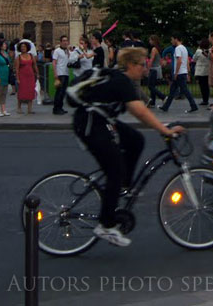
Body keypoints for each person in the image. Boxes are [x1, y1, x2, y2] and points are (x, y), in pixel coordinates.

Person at [72, 46, 185, 247]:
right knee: (114, 170)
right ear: (132, 65)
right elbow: (139, 111)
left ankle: (124, 185)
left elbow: (139, 112)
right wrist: (164, 131)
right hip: (90, 125)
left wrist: (162, 126)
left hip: (102, 120)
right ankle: (106, 225)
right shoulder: (122, 81)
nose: (145, 69)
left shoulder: (123, 79)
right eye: (142, 65)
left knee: (136, 140)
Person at [160, 34, 198, 113]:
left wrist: (176, 73)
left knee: (185, 90)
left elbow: (179, 61)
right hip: (183, 72)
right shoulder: (184, 48)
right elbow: (187, 60)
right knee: (172, 91)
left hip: (179, 73)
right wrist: (187, 72)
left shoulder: (177, 48)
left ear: (176, 39)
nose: (171, 41)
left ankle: (193, 105)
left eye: (172, 39)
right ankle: (165, 107)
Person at [51, 35, 80, 115]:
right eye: (63, 41)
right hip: (60, 73)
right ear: (60, 42)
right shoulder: (57, 51)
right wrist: (55, 73)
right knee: (59, 92)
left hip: (66, 73)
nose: (65, 42)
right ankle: (56, 108)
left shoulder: (67, 51)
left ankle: (60, 107)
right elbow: (54, 62)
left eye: (66, 41)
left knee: (63, 91)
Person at [15, 40, 39, 114]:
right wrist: (18, 78)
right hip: (22, 76)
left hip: (30, 76)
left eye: (24, 47)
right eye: (22, 47)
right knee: (21, 92)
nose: (23, 48)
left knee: (30, 91)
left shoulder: (31, 56)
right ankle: (19, 107)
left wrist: (37, 74)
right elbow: (17, 69)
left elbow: (34, 65)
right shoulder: (18, 57)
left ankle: (29, 109)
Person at [145, 34, 164, 107]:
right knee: (152, 85)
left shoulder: (154, 49)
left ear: (153, 40)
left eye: (150, 40)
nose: (149, 41)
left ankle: (163, 97)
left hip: (153, 69)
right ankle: (152, 101)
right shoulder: (158, 48)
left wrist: (147, 69)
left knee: (150, 86)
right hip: (157, 68)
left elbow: (151, 60)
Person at [192, 38, 211, 106]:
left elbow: (194, 59)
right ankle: (206, 99)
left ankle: (204, 100)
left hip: (200, 70)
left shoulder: (198, 51)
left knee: (202, 86)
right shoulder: (209, 51)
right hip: (207, 69)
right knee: (206, 86)